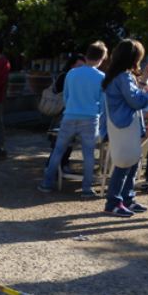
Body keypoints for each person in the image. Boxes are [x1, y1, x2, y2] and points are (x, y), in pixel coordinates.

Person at [38, 42, 107, 198]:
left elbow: (66, 96)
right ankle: (87, 188)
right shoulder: (102, 77)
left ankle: (47, 183)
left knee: (58, 150)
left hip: (69, 116)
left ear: (87, 54)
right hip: (90, 119)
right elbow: (102, 102)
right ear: (101, 58)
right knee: (88, 154)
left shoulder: (71, 73)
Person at [101, 39, 148, 217]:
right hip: (126, 125)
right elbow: (136, 101)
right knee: (125, 163)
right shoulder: (124, 77)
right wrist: (147, 86)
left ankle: (126, 199)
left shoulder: (116, 75)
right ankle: (114, 202)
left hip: (122, 124)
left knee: (132, 162)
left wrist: (143, 82)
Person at [47, 53, 87, 174]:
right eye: (79, 65)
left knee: (67, 144)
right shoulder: (65, 76)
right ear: (72, 64)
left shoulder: (73, 76)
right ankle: (52, 168)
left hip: (69, 114)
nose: (81, 69)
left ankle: (60, 166)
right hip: (62, 113)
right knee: (59, 144)